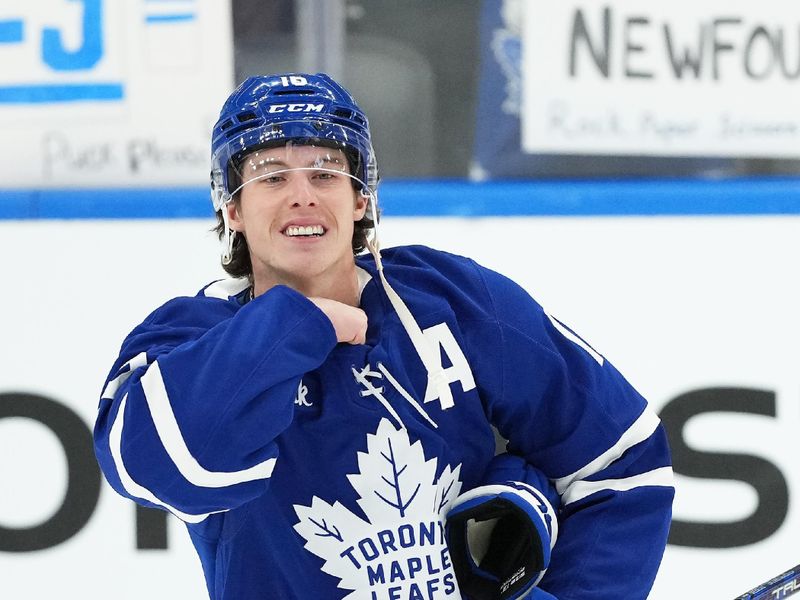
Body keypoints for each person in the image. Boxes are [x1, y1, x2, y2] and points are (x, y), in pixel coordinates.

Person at [93, 72, 674, 600]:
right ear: (233, 208)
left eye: (326, 173)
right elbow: (164, 467)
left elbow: (623, 459)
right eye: (271, 177)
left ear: (362, 198)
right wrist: (300, 323)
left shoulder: (450, 300)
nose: (303, 194)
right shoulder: (191, 334)